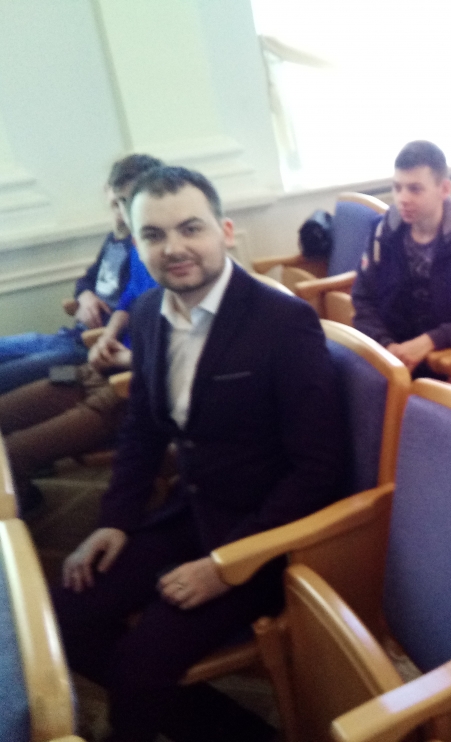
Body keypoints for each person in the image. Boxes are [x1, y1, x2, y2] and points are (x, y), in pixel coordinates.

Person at [50, 165, 347, 742]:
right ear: (139, 246)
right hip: (189, 510)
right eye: (154, 235)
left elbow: (318, 470)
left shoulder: (284, 322)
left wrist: (226, 565)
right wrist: (115, 520)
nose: (174, 248)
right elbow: (143, 430)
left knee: (139, 669)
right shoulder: (148, 316)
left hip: (264, 536)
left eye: (191, 228)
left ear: (225, 231)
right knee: (67, 614)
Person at [0, 240, 156, 516]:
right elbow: (126, 303)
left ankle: (20, 511)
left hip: (123, 392)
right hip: (91, 370)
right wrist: (107, 337)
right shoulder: (138, 252)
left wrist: (123, 358)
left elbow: (177, 364)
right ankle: (26, 495)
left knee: (11, 453)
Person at [0, 154, 161, 394]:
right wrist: (85, 295)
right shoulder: (114, 240)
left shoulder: (143, 252)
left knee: (18, 376)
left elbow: (135, 313)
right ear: (108, 192)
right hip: (71, 337)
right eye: (117, 203)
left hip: (84, 353)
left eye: (129, 204)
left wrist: (106, 338)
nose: (122, 213)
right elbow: (87, 280)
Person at [351, 140, 451, 375]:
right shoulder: (382, 232)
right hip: (388, 356)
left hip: (444, 360)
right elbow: (362, 299)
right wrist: (387, 346)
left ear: (444, 189)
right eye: (397, 188)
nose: (402, 198)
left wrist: (431, 340)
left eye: (415, 189)